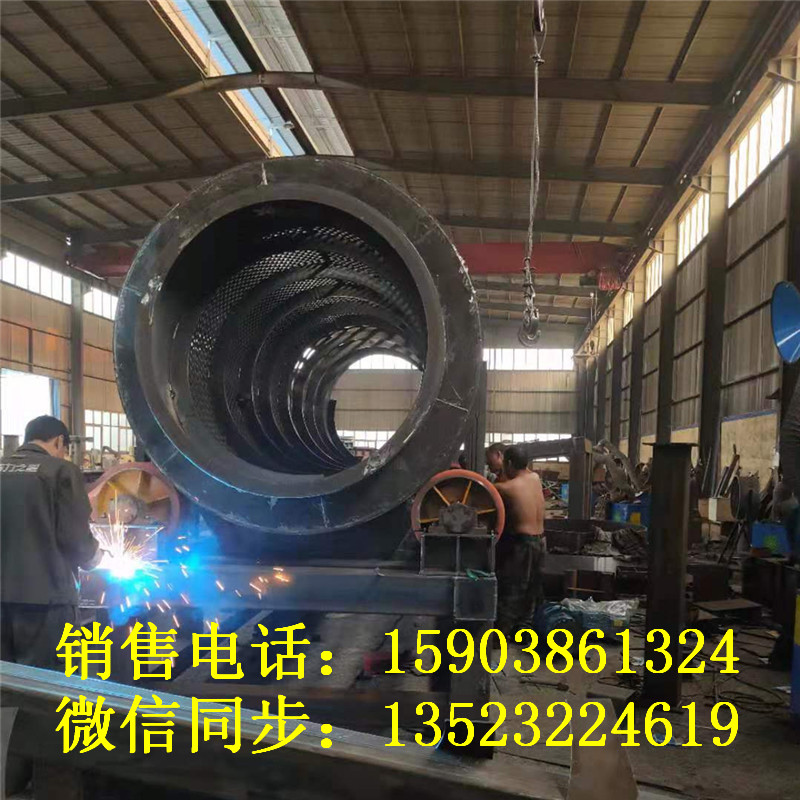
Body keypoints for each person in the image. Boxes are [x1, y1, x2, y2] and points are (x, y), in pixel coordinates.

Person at [1, 415, 102, 668]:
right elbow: (75, 538)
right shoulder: (61, 471)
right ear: (59, 441)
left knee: (5, 677)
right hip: (46, 602)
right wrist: (95, 557)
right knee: (45, 680)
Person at [493, 445, 546, 637]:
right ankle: (524, 631)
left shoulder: (506, 488)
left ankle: (500, 635)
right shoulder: (535, 478)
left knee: (512, 589)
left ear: (508, 463)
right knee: (532, 590)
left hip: (523, 545)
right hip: (541, 541)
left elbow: (485, 490)